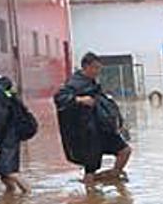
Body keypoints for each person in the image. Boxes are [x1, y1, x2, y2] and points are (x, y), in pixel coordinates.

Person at [54, 52, 131, 184]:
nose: (98, 71)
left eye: (99, 68)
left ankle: (113, 175)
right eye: (95, 68)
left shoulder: (92, 82)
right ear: (86, 67)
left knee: (125, 150)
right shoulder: (74, 83)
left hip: (103, 128)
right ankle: (91, 197)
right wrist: (79, 99)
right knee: (91, 168)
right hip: (88, 134)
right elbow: (59, 98)